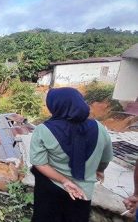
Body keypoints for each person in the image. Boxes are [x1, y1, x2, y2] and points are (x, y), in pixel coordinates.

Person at [29, 87, 113, 222]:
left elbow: (39, 163)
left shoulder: (43, 130)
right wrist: (100, 170)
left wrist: (64, 181)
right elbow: (106, 158)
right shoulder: (99, 127)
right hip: (82, 192)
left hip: (50, 189)